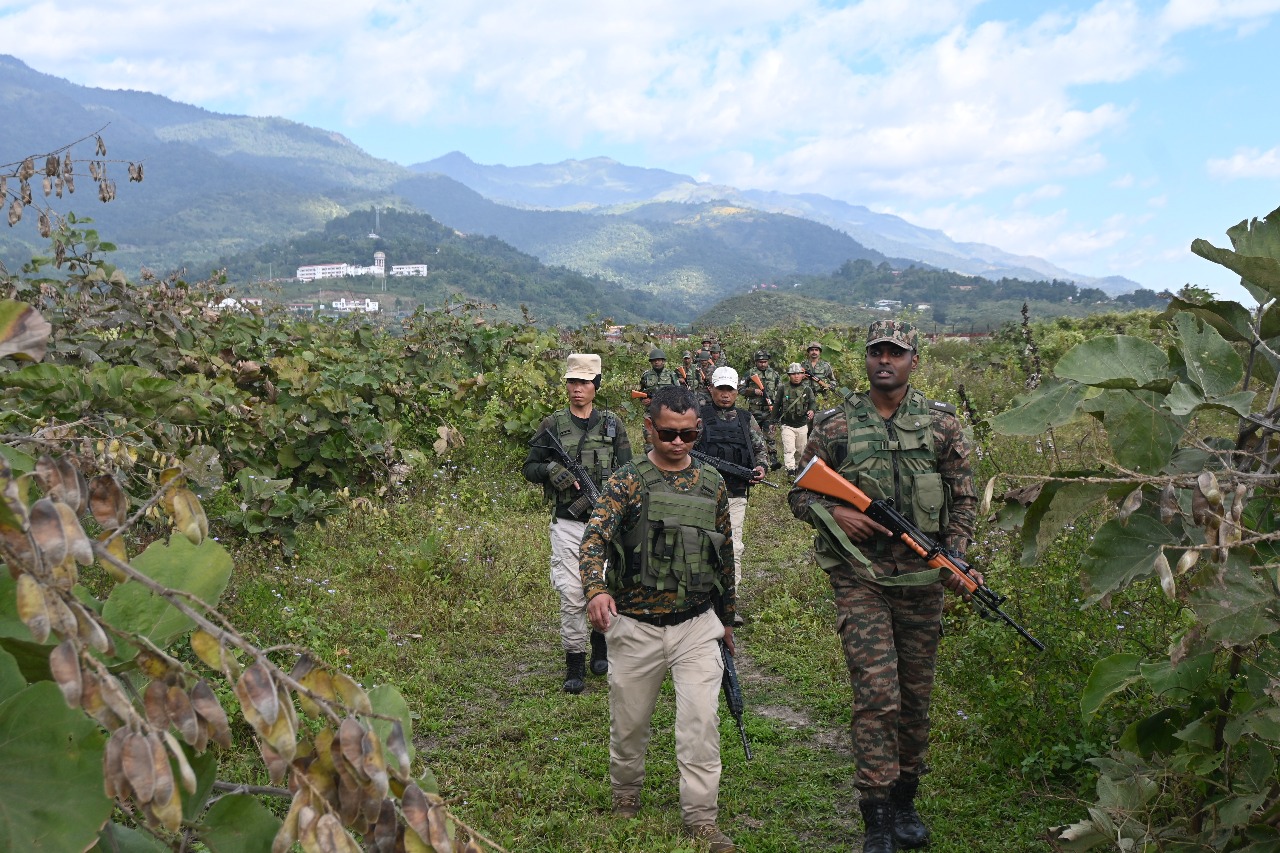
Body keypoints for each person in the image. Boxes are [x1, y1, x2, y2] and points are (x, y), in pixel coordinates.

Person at [787, 320, 977, 852]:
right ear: (865, 359)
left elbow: (963, 499)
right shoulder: (836, 425)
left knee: (915, 697)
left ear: (914, 359)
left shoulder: (942, 425)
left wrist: (956, 557)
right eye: (877, 352)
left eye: (897, 352)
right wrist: (835, 513)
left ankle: (904, 801)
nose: (885, 361)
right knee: (877, 694)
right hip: (860, 577)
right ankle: (875, 813)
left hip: (923, 579)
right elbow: (799, 494)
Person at [580, 384, 737, 852]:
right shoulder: (628, 480)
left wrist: (727, 618)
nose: (677, 443)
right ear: (649, 427)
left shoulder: (712, 483)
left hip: (695, 625)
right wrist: (595, 589)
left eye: (688, 435)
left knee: (701, 724)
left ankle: (701, 817)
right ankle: (626, 793)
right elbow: (593, 539)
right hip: (636, 628)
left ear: (698, 431)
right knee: (629, 725)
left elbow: (724, 556)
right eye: (669, 433)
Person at [523, 353, 632, 694]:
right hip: (569, 522)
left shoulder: (613, 425)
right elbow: (530, 466)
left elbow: (629, 473)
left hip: (607, 525)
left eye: (584, 382)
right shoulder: (552, 425)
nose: (577, 389)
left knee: (604, 588)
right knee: (572, 595)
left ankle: (601, 649)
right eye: (572, 382)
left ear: (596, 386)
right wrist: (550, 471)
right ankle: (575, 661)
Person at [696, 366, 767, 623]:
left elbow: (760, 449)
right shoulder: (699, 417)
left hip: (736, 492)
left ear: (737, 391)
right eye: (721, 389)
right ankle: (701, 603)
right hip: (701, 493)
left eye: (730, 389)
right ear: (711, 389)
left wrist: (761, 468)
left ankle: (728, 604)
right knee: (702, 546)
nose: (725, 395)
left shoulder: (747, 419)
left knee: (733, 547)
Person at [740, 350, 782, 471]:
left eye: (765, 362)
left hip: (769, 410)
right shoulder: (750, 373)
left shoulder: (774, 374)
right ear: (756, 362)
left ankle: (773, 460)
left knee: (770, 435)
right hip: (755, 411)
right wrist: (754, 392)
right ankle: (753, 460)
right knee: (754, 436)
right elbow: (740, 389)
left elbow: (780, 391)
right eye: (760, 362)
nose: (763, 364)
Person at [775, 363, 815, 476]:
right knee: (789, 448)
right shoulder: (783, 388)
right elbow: (777, 405)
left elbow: (812, 403)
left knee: (801, 450)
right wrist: (773, 421)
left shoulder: (807, 389)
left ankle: (798, 468)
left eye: (798, 374)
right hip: (787, 425)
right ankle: (790, 470)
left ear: (803, 375)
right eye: (793, 374)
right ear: (789, 375)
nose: (796, 376)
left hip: (802, 425)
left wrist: (812, 410)